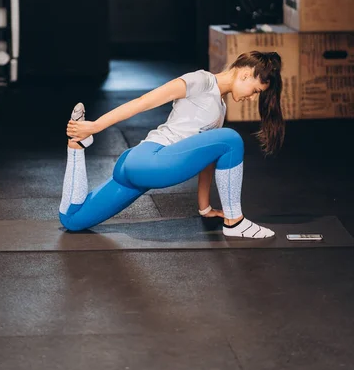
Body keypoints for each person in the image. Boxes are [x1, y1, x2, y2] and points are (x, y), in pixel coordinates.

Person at [61, 51, 285, 239]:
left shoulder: (221, 106)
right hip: (151, 160)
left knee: (73, 220)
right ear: (246, 74)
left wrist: (205, 208)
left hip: (135, 164)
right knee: (232, 139)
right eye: (256, 91)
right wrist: (95, 126)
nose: (253, 98)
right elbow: (143, 102)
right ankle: (235, 222)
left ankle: (77, 147)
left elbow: (208, 159)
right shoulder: (201, 81)